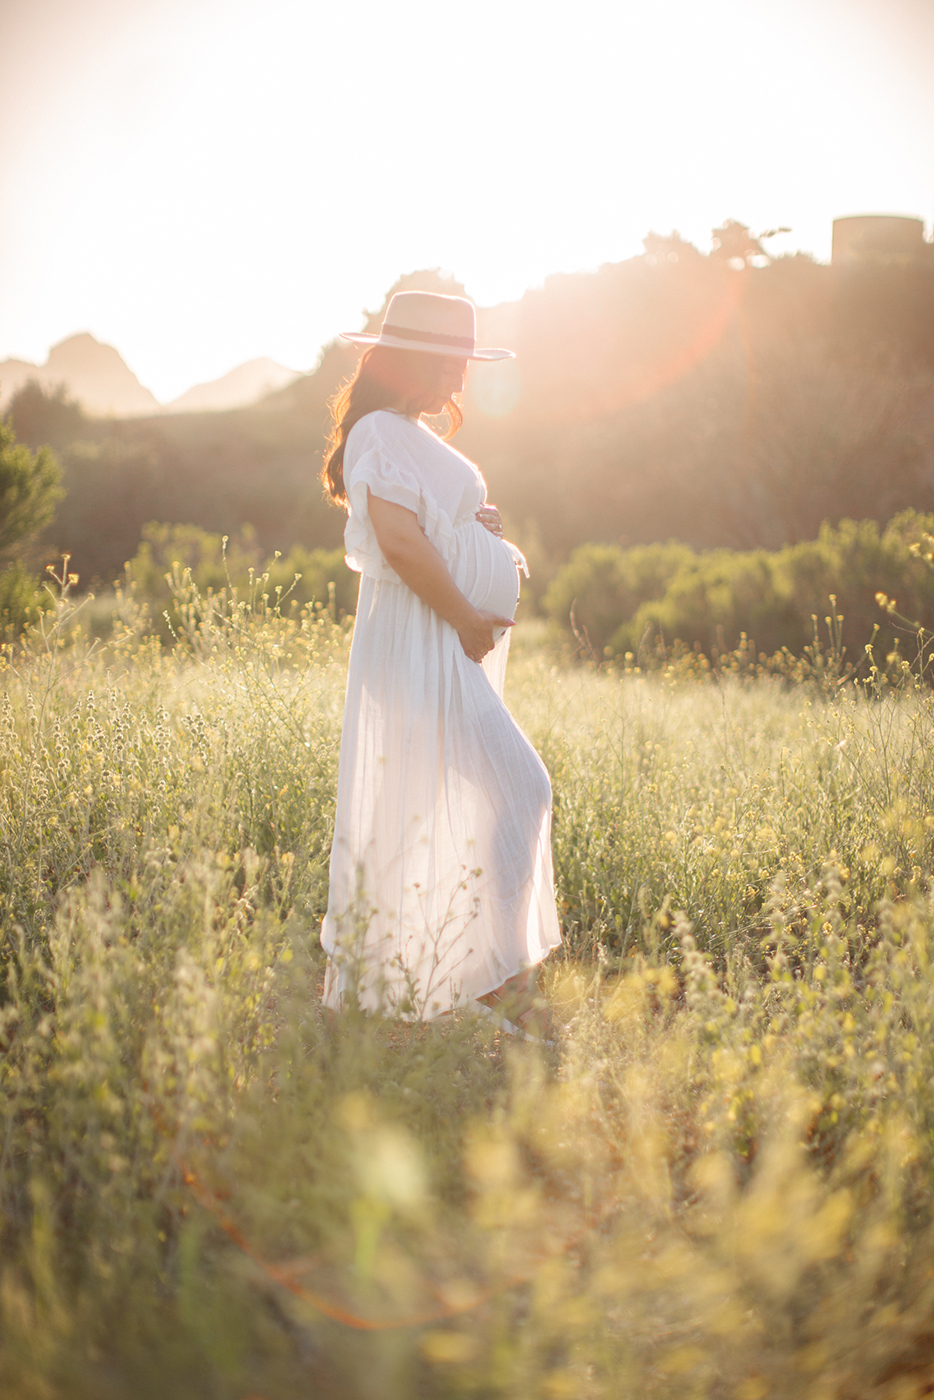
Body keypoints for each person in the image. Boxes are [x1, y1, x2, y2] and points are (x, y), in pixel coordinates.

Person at [319, 290, 561, 1034]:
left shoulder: (404, 433)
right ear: (418, 360)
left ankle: (456, 975)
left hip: (438, 640)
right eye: (454, 361)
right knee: (521, 786)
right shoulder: (380, 433)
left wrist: (485, 536)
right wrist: (464, 616)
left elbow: (429, 524)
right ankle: (495, 978)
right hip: (424, 640)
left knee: (453, 804)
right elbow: (397, 542)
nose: (462, 380)